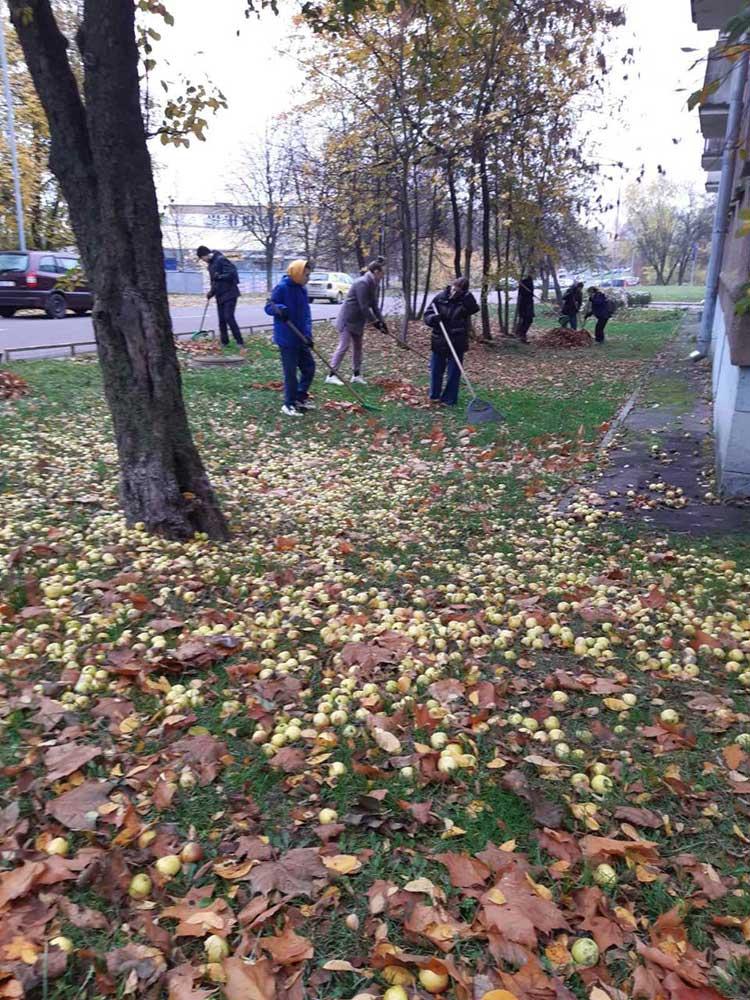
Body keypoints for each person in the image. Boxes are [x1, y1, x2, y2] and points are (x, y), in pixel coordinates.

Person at [265, 259, 315, 417]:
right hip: (287, 338)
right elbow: (269, 306)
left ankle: (299, 397)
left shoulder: (302, 289)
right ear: (297, 273)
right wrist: (280, 309)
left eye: (309, 275)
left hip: (301, 337)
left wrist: (308, 335)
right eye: (306, 275)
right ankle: (288, 404)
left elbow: (306, 315)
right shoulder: (282, 288)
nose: (308, 279)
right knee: (291, 373)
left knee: (309, 368)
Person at [326, 260, 387, 385]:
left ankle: (356, 375)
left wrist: (382, 322)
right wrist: (375, 322)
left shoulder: (373, 283)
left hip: (358, 321)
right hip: (348, 319)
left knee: (358, 348)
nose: (383, 275)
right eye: (382, 273)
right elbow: (363, 306)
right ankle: (331, 375)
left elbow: (374, 305)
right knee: (344, 346)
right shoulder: (362, 283)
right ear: (376, 272)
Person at [424, 277, 479, 406]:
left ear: (463, 291)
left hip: (457, 340)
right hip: (439, 339)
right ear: (451, 285)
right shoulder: (440, 298)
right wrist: (433, 318)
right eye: (454, 288)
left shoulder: (465, 301)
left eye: (459, 291)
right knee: (436, 370)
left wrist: (467, 296)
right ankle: (434, 396)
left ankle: (449, 399)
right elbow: (427, 315)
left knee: (454, 373)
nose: (455, 292)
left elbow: (474, 309)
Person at [197, 246, 244, 347]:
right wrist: (211, 293)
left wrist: (220, 276)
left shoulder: (221, 259)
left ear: (205, 255)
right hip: (220, 295)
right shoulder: (210, 265)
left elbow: (232, 272)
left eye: (202, 258)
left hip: (230, 293)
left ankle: (239, 341)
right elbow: (214, 282)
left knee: (228, 317)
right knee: (221, 319)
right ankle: (224, 342)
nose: (203, 260)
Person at [516, 275, 535, 343]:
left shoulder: (528, 281)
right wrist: (530, 293)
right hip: (525, 304)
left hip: (528, 303)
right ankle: (521, 335)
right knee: (527, 320)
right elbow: (523, 293)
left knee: (527, 320)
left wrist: (531, 294)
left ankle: (522, 334)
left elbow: (530, 292)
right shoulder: (525, 282)